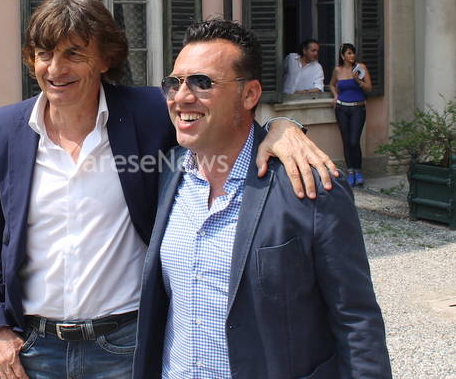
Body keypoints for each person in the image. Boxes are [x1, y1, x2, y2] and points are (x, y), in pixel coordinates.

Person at [0, 0, 337, 379]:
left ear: (105, 58)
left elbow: (221, 116)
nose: (55, 69)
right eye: (44, 54)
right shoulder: (4, 129)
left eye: (74, 53)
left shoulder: (147, 113)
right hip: (35, 349)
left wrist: (282, 128)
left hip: (126, 346)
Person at [133, 19, 392, 379]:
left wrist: (280, 124)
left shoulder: (310, 185)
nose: (181, 97)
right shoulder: (168, 171)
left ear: (250, 94)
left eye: (202, 82)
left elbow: (356, 321)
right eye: (173, 83)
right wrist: (280, 124)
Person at [329, 43, 373, 187]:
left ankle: (359, 171)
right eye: (348, 53)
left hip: (358, 108)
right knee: (347, 141)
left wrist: (357, 80)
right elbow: (331, 84)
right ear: (342, 56)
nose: (352, 56)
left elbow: (369, 88)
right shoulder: (338, 70)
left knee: (354, 141)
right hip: (342, 108)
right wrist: (335, 96)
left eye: (353, 53)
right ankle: (351, 172)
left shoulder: (361, 68)